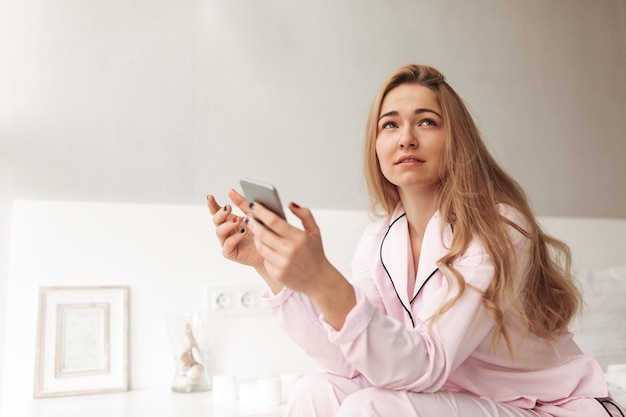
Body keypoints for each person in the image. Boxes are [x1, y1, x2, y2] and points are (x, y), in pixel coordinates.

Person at [207, 64, 624, 417]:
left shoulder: (502, 229)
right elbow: (351, 363)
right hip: (457, 401)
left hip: (546, 407)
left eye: (426, 121)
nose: (406, 137)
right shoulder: (379, 240)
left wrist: (322, 280)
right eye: (390, 124)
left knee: (367, 408)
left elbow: (428, 364)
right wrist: (268, 265)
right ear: (376, 146)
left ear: (456, 140)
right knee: (314, 391)